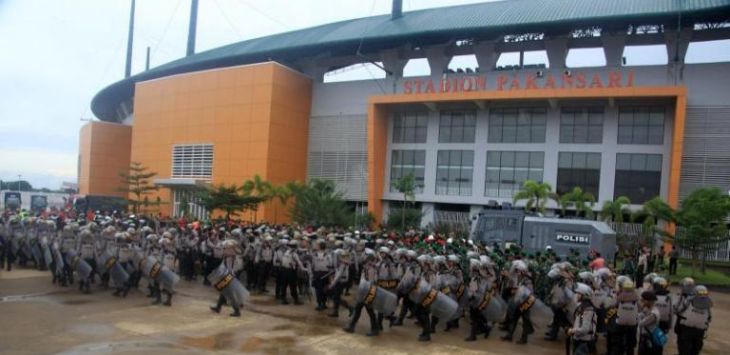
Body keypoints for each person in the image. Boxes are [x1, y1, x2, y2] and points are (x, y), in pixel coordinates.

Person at [675, 285, 712, 355]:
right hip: (700, 330)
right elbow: (709, 317)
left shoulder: (689, 300)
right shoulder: (708, 303)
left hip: (687, 328)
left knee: (685, 348)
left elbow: (680, 310)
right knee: (696, 349)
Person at [568, 283, 596, 355]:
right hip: (580, 339)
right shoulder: (582, 307)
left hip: (584, 341)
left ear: (584, 296)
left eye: (579, 294)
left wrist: (572, 331)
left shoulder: (587, 310)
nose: (576, 295)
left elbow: (585, 329)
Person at [638, 290, 662, 355]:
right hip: (647, 338)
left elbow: (641, 324)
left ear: (648, 301)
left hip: (649, 339)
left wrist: (641, 313)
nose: (642, 302)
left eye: (643, 300)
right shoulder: (649, 310)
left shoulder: (653, 314)